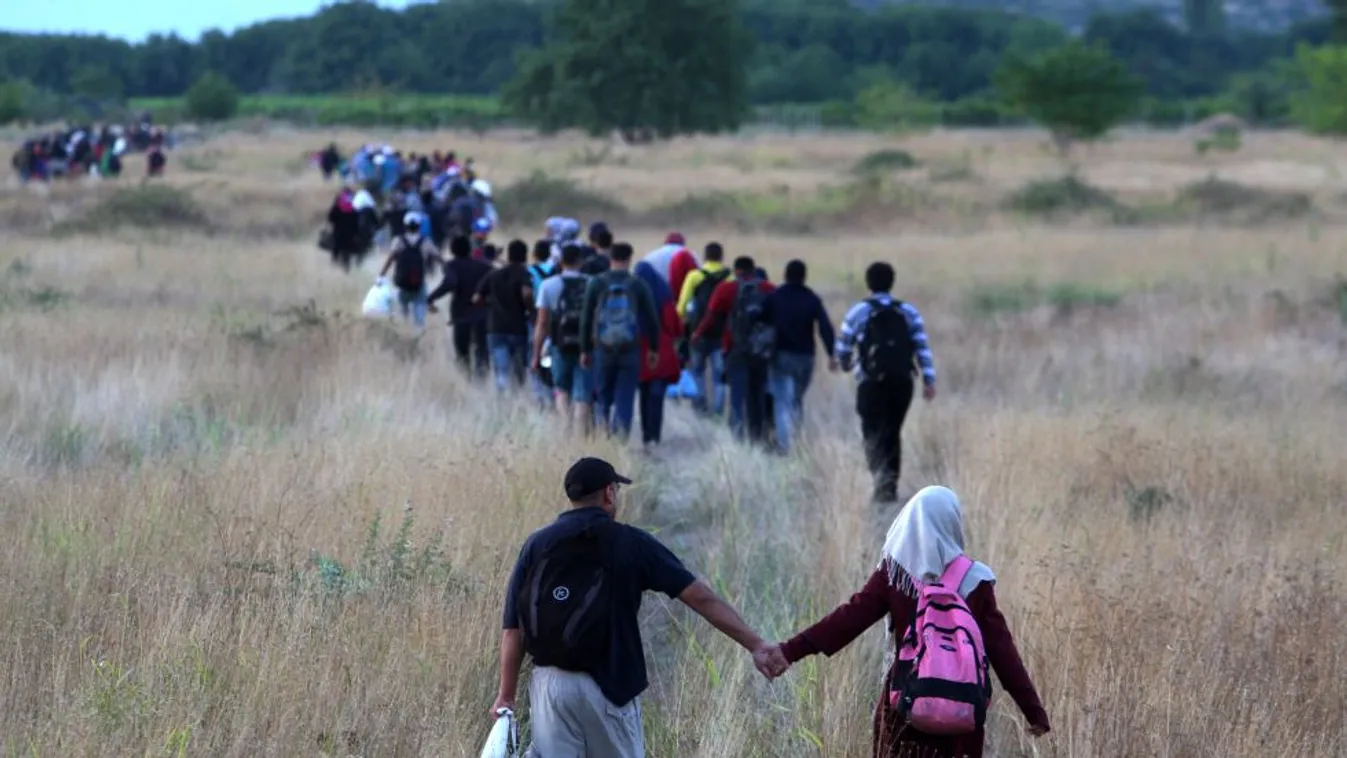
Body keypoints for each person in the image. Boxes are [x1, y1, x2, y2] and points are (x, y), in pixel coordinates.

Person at [494, 457, 776, 758]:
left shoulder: (536, 544)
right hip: (609, 686)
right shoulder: (631, 542)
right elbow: (700, 597)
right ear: (609, 493)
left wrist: (506, 696)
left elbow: (512, 630)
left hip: (550, 688)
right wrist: (756, 644)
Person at [756, 486, 1050, 758]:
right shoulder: (976, 580)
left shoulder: (894, 574)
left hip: (906, 707)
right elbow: (1002, 650)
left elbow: (848, 619)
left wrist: (790, 650)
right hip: (961, 714)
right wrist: (1033, 710)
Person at [836, 262, 937, 504]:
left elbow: (843, 348)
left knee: (872, 431)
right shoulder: (909, 312)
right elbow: (922, 348)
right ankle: (890, 486)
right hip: (902, 382)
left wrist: (847, 364)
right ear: (892, 282)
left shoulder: (858, 312)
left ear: (868, 283)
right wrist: (929, 380)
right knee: (893, 431)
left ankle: (878, 480)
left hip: (870, 383)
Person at [692, 256, 776, 445]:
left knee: (737, 396)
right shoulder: (769, 289)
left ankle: (737, 440)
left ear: (736, 271)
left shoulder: (726, 289)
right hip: (761, 352)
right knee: (757, 396)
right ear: (753, 269)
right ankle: (757, 438)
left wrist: (698, 333)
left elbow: (711, 316)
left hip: (735, 350)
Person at [580, 243, 660, 440]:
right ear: (629, 258)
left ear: (610, 258)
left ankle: (602, 436)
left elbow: (586, 318)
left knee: (602, 395)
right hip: (629, 348)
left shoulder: (597, 283)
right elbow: (652, 319)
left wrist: (585, 349)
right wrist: (653, 348)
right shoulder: (637, 284)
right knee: (625, 397)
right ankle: (620, 440)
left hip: (603, 348)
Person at [765, 259, 837, 455]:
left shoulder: (775, 297)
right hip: (805, 357)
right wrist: (832, 353)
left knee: (782, 402)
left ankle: (784, 447)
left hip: (780, 355)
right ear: (804, 276)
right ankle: (796, 443)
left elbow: (760, 320)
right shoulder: (811, 298)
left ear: (785, 275)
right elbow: (825, 327)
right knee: (796, 400)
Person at [533, 244, 594, 434]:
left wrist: (536, 353)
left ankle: (565, 430)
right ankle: (580, 436)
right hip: (586, 346)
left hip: (559, 344)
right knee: (583, 394)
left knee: (561, 389)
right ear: (581, 262)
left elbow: (542, 322)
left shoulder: (548, 285)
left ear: (560, 262)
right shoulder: (592, 283)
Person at [677, 242, 731, 418]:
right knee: (719, 376)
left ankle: (700, 410)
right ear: (721, 257)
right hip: (722, 334)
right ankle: (718, 413)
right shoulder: (730, 277)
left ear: (705, 257)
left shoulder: (694, 276)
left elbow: (682, 306)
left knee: (697, 372)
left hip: (697, 333)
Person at [475, 240, 534, 392]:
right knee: (518, 371)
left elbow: (476, 298)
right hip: (518, 328)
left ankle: (502, 398)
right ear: (524, 256)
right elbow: (527, 294)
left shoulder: (493, 274)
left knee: (501, 370)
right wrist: (530, 310)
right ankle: (517, 396)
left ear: (509, 255)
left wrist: (490, 304)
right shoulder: (524, 273)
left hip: (495, 327)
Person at [429, 236, 492, 379]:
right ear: (469, 249)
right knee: (482, 351)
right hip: (482, 315)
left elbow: (450, 283)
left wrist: (432, 297)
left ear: (452, 250)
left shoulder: (451, 265)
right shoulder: (484, 266)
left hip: (461, 315)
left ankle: (466, 380)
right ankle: (481, 381)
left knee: (462, 353)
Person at [634, 261, 682, 448]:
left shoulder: (634, 292)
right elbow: (673, 325)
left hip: (639, 349)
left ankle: (646, 435)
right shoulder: (663, 293)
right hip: (661, 350)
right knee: (657, 395)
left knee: (643, 394)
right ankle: (654, 435)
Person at [377, 212, 440, 333]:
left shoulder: (398, 241)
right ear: (419, 226)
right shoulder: (426, 241)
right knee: (419, 317)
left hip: (401, 284)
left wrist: (381, 276)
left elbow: (390, 259)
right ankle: (418, 335)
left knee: (402, 314)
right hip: (419, 284)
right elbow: (438, 257)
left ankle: (404, 335)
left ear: (405, 225)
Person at [640, 232, 698, 296]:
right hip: (682, 292)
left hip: (657, 295)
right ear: (683, 243)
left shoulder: (651, 255)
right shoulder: (690, 254)